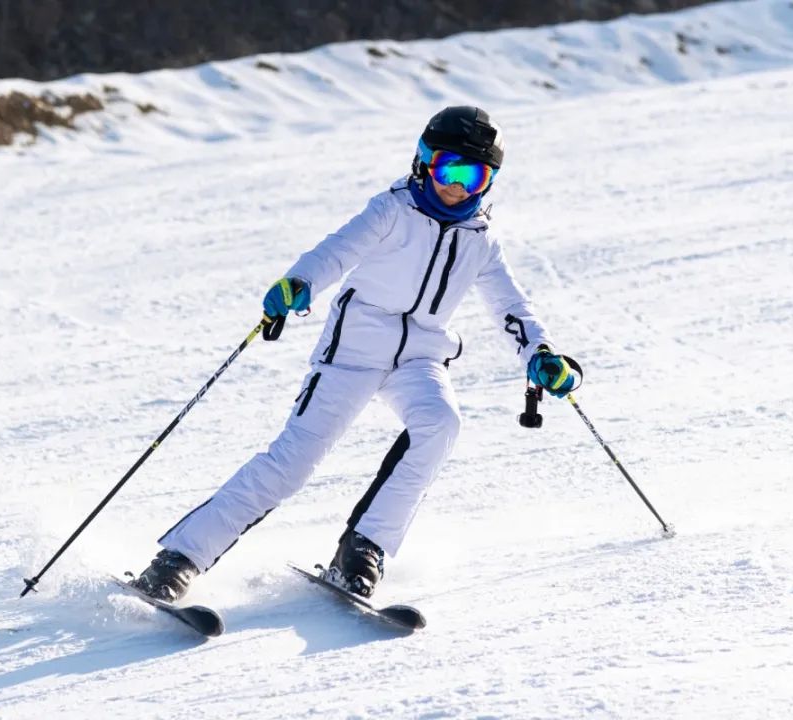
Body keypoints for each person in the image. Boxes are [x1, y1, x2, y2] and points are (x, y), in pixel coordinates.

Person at [130, 105, 582, 602]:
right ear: (424, 161)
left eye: (474, 176)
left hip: (419, 359)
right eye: (449, 169)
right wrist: (299, 283)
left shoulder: (482, 240)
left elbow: (511, 306)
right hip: (353, 352)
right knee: (292, 464)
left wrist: (540, 354)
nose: (458, 186)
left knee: (441, 424)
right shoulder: (392, 210)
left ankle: (362, 551)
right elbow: (336, 251)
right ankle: (178, 560)